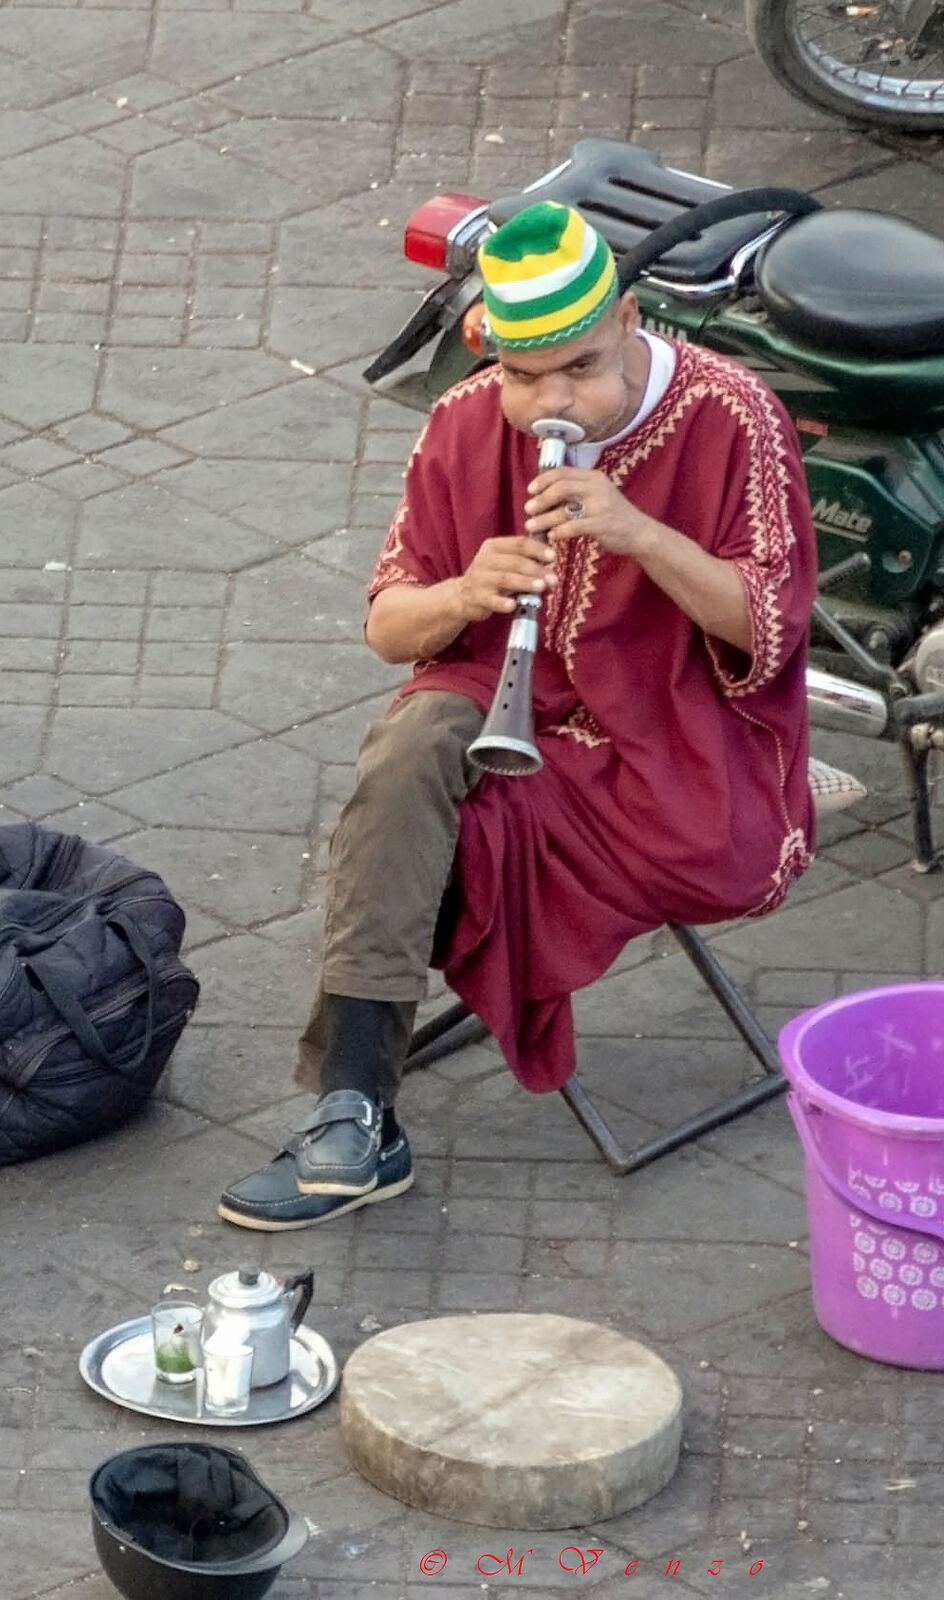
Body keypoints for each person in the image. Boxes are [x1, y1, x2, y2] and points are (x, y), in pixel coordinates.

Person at [217, 202, 816, 1231]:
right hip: (495, 688)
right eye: (525, 377)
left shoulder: (732, 414)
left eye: (580, 369)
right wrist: (463, 596)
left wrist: (640, 535)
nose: (553, 403)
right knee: (406, 756)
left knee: (426, 847)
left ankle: (360, 1095)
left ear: (632, 319)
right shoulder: (465, 419)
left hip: (683, 737)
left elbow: (766, 632)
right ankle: (352, 1109)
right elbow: (390, 631)